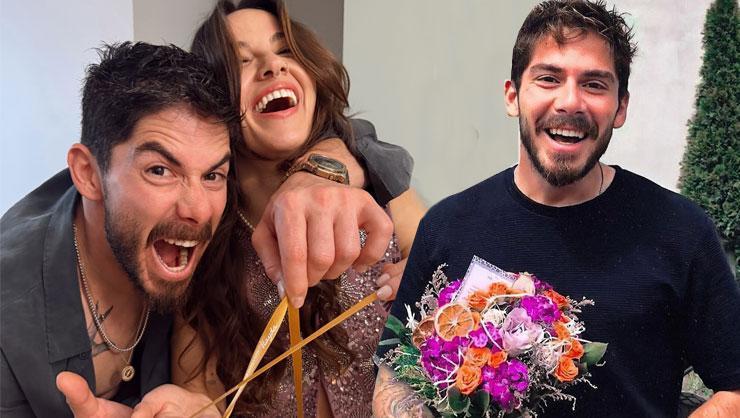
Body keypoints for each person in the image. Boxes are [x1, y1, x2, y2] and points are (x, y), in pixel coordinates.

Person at [0, 41, 411, 417]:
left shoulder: (206, 250)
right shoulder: (11, 308)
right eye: (159, 170)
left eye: (213, 175)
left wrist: (318, 170)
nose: (197, 210)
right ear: (88, 174)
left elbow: (352, 135)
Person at [373, 1, 740, 417]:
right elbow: (395, 378)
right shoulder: (446, 227)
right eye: (548, 78)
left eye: (594, 84)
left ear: (620, 107)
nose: (569, 102)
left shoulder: (680, 231)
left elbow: (734, 387)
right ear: (513, 96)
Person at [171, 1, 426, 417]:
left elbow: (449, 267)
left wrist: (425, 282)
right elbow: (199, 394)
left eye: (285, 50)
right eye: (242, 61)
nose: (273, 66)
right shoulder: (207, 249)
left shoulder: (378, 187)